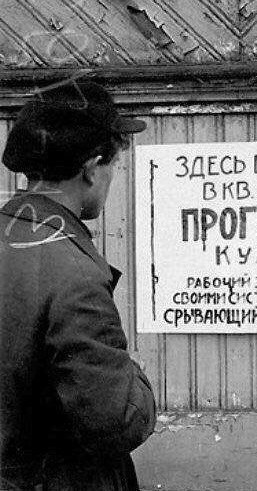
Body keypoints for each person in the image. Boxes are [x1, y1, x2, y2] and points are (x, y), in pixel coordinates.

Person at [0, 80, 156, 490]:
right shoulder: (76, 275)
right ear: (91, 166)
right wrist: (134, 377)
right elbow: (119, 420)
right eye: (113, 165)